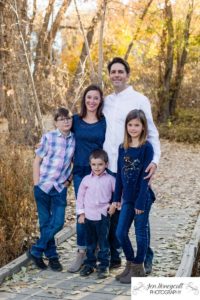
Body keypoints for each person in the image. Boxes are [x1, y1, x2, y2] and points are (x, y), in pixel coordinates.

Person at [103, 57, 161, 273]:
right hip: (111, 166)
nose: (116, 75)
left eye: (120, 71)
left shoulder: (139, 99)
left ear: (127, 74)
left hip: (137, 168)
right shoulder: (106, 101)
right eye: (113, 72)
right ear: (109, 75)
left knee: (139, 216)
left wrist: (154, 161)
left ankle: (145, 257)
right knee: (117, 215)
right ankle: (119, 258)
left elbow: (152, 131)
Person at [109, 109, 155, 284]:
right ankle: (129, 264)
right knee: (120, 232)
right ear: (126, 126)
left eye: (137, 125)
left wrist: (141, 201)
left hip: (142, 197)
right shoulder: (123, 147)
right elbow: (120, 175)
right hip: (127, 198)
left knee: (140, 232)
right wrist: (116, 198)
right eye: (130, 125)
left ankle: (138, 267)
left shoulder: (146, 148)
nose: (133, 128)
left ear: (143, 127)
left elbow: (145, 178)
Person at [27, 108, 75, 271]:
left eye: (68, 118)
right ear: (55, 122)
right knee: (45, 223)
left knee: (58, 223)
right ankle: (53, 257)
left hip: (60, 187)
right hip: (43, 185)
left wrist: (69, 180)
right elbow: (36, 161)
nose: (66, 121)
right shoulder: (48, 138)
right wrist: (36, 183)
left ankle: (36, 250)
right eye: (61, 119)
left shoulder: (75, 139)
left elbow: (77, 162)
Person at [67, 85, 106, 273]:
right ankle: (81, 252)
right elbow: (62, 137)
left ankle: (97, 251)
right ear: (84, 99)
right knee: (82, 211)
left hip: (100, 172)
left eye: (96, 98)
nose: (91, 101)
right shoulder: (75, 120)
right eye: (89, 97)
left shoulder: (104, 121)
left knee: (98, 211)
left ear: (100, 101)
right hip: (81, 171)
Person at [77, 149, 115, 279]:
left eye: (100, 164)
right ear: (90, 164)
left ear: (106, 164)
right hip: (88, 216)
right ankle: (90, 264)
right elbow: (80, 198)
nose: (97, 167)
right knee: (91, 242)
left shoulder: (111, 179)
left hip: (103, 215)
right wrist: (81, 214)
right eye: (94, 164)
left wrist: (114, 205)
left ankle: (104, 266)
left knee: (103, 242)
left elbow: (118, 194)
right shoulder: (86, 180)